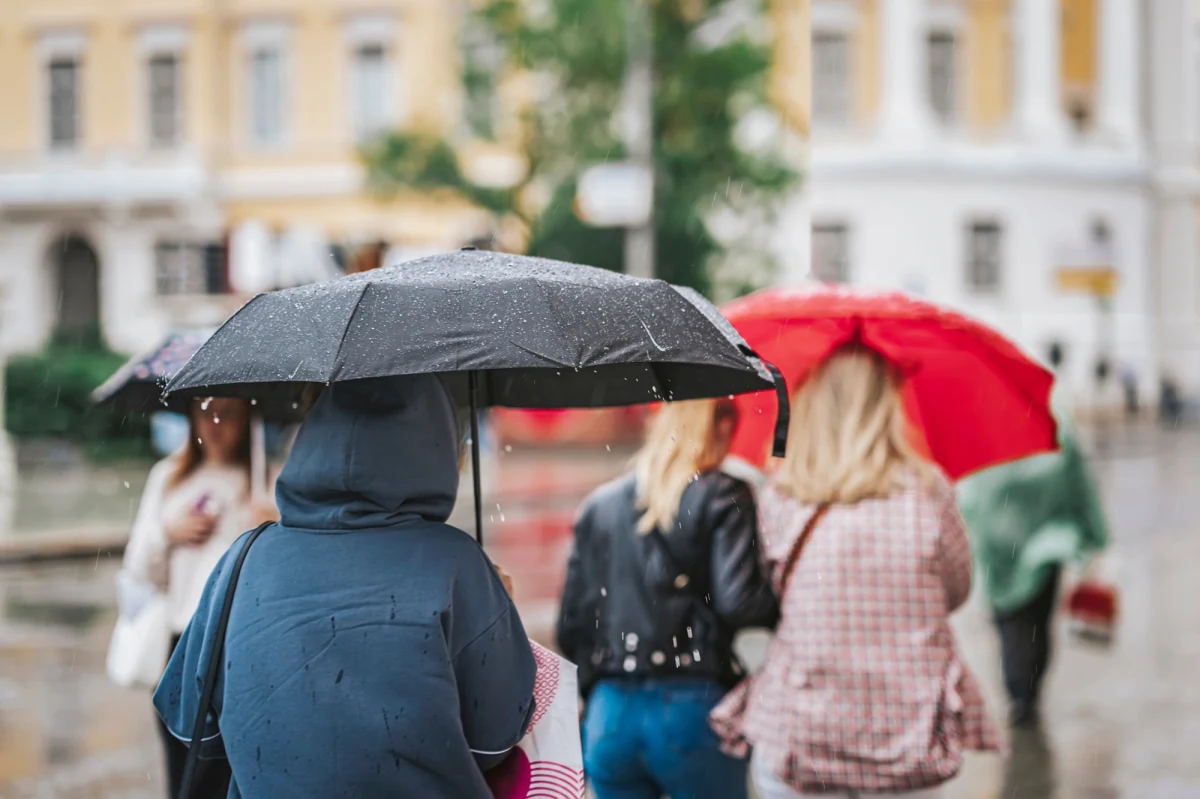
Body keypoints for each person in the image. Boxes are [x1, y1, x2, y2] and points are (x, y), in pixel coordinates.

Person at [153, 374, 536, 797]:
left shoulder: (243, 558)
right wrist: (500, 618)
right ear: (435, 446)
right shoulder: (458, 563)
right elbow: (494, 740)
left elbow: (192, 724)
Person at [711, 347, 1000, 799]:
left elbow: (775, 590)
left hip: (802, 737)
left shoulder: (783, 495)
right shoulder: (928, 491)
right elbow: (957, 590)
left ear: (811, 407)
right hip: (905, 738)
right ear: (885, 408)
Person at [557, 398, 778, 799]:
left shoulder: (600, 505)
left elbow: (572, 626)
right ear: (721, 425)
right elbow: (738, 602)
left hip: (610, 712)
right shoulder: (724, 493)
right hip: (692, 706)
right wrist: (781, 600)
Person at [122, 396, 275, 798]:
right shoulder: (169, 477)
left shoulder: (267, 481)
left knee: (229, 771)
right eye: (206, 411)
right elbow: (138, 569)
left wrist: (272, 531)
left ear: (248, 419)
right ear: (191, 417)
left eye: (230, 413)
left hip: (238, 647)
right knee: (184, 770)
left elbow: (277, 578)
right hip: (181, 643)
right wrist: (168, 534)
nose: (216, 422)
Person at [956, 392, 1110, 727]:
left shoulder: (981, 424)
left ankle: (1020, 695)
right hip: (1045, 548)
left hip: (998, 551)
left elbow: (970, 496)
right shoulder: (1054, 420)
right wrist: (1095, 536)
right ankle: (1029, 692)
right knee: (1037, 625)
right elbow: (1079, 484)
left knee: (1010, 625)